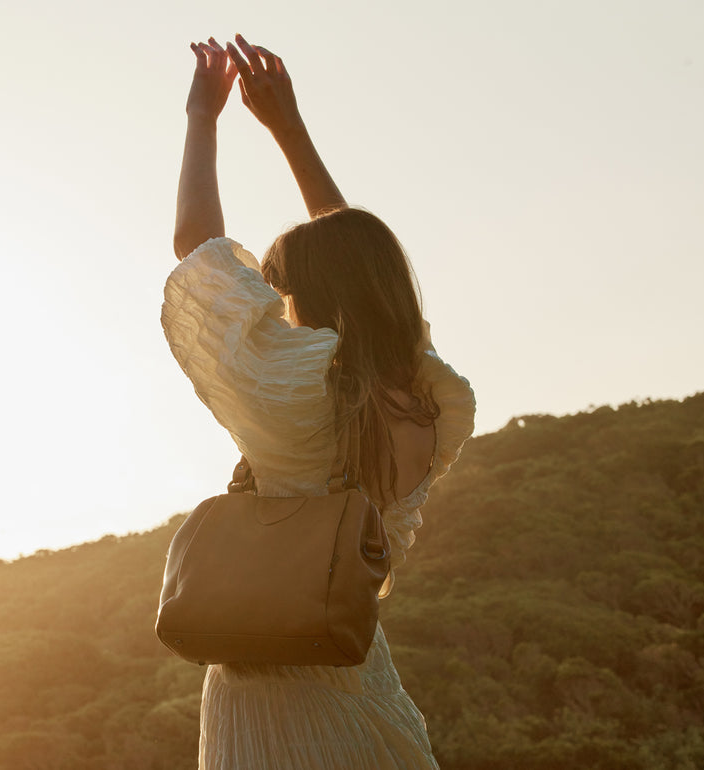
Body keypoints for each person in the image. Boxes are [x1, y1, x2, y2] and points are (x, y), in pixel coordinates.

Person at [161, 34, 476, 770]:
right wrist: (289, 130)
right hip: (360, 682)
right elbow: (357, 264)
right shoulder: (430, 397)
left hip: (267, 697)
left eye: (287, 292)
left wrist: (201, 117)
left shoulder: (298, 395)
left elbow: (197, 250)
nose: (283, 307)